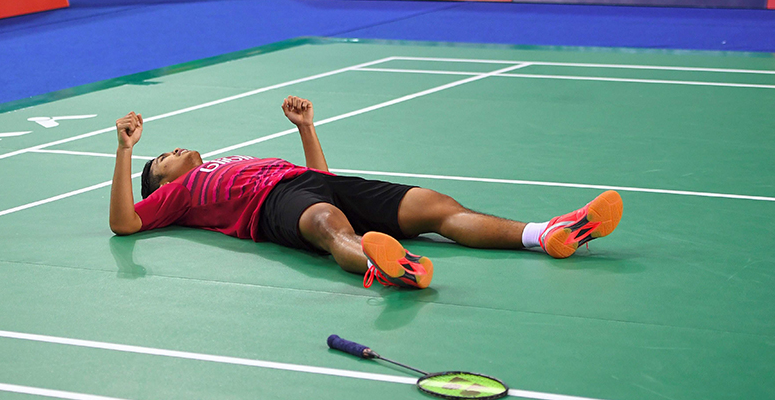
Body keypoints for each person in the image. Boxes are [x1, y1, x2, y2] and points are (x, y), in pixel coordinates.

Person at [109, 97, 624, 290]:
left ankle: (548, 232)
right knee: (329, 226)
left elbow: (319, 178)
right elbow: (124, 223)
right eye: (163, 158)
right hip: (270, 207)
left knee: (434, 206)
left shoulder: (228, 160)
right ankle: (392, 267)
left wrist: (307, 129)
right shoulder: (179, 195)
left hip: (310, 182)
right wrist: (128, 150)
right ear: (163, 180)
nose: (172, 150)